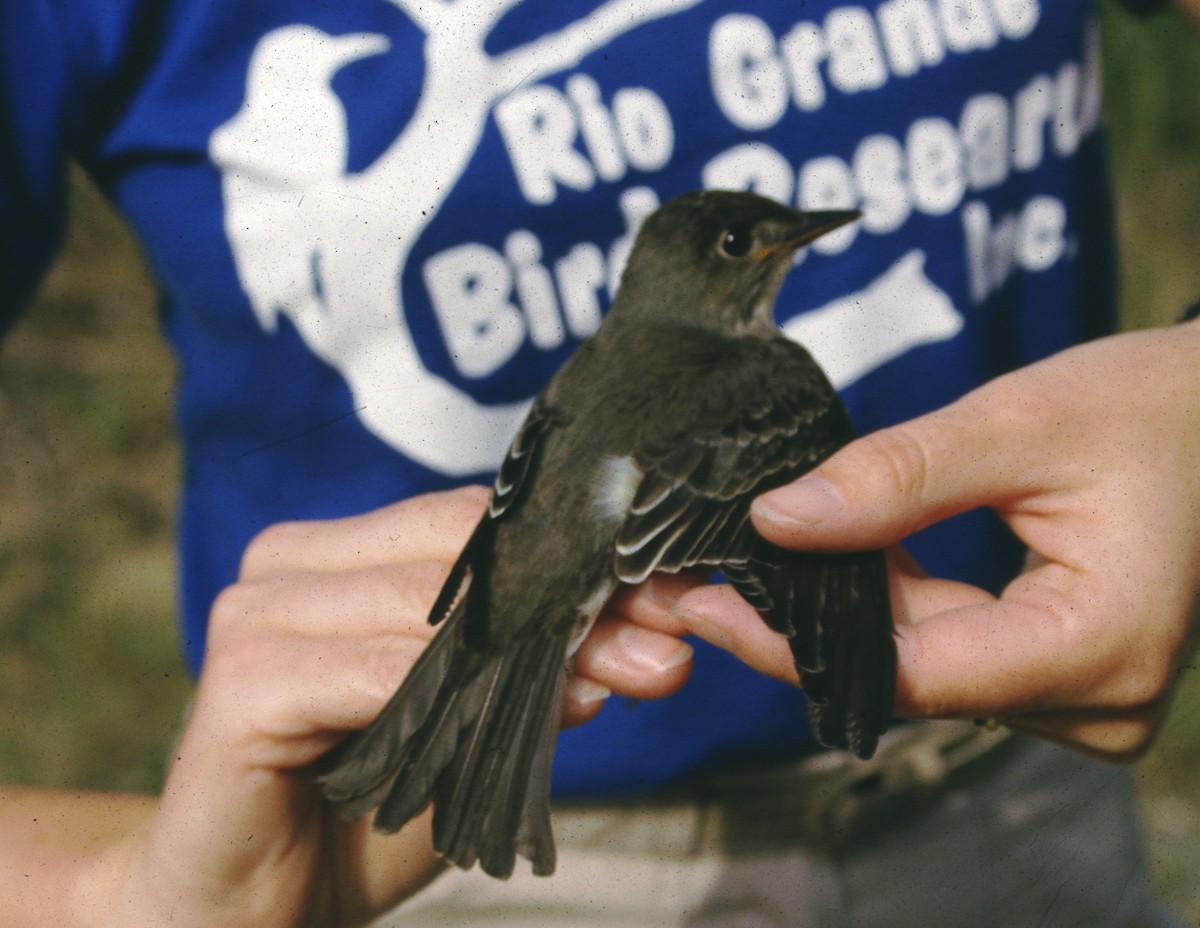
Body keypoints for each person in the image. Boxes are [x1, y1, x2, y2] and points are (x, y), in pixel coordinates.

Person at [1, 0, 1197, 925]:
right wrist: (115, 898)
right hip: (419, 861)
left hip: (1010, 800)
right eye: (751, 242)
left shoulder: (674, 364)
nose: (785, 248)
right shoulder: (775, 385)